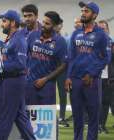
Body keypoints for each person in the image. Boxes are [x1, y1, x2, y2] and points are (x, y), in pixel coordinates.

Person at [0, 9, 36, 140]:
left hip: (13, 82)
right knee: (21, 118)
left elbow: (20, 64)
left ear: (13, 23)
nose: (2, 24)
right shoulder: (11, 39)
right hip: (10, 81)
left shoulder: (19, 40)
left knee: (4, 118)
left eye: (4, 21)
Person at [65, 1, 109, 140]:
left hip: (92, 81)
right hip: (76, 80)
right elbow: (71, 57)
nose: (83, 13)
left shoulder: (101, 35)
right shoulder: (75, 33)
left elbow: (105, 58)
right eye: (82, 11)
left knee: (92, 116)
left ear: (94, 15)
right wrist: (68, 77)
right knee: (77, 117)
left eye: (86, 11)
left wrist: (91, 73)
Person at [25, 11, 67, 105]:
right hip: (30, 83)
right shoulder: (33, 35)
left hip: (47, 85)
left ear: (54, 26)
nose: (43, 25)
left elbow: (63, 64)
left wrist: (46, 79)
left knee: (46, 118)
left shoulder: (60, 42)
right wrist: (25, 69)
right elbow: (25, 53)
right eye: (43, 22)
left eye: (47, 24)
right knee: (29, 116)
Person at [98, 20, 113, 134]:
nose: (102, 31)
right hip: (94, 76)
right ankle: (96, 125)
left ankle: (102, 125)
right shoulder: (92, 42)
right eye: (100, 29)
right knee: (95, 102)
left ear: (108, 30)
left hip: (108, 77)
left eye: (104, 29)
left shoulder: (111, 43)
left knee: (105, 102)